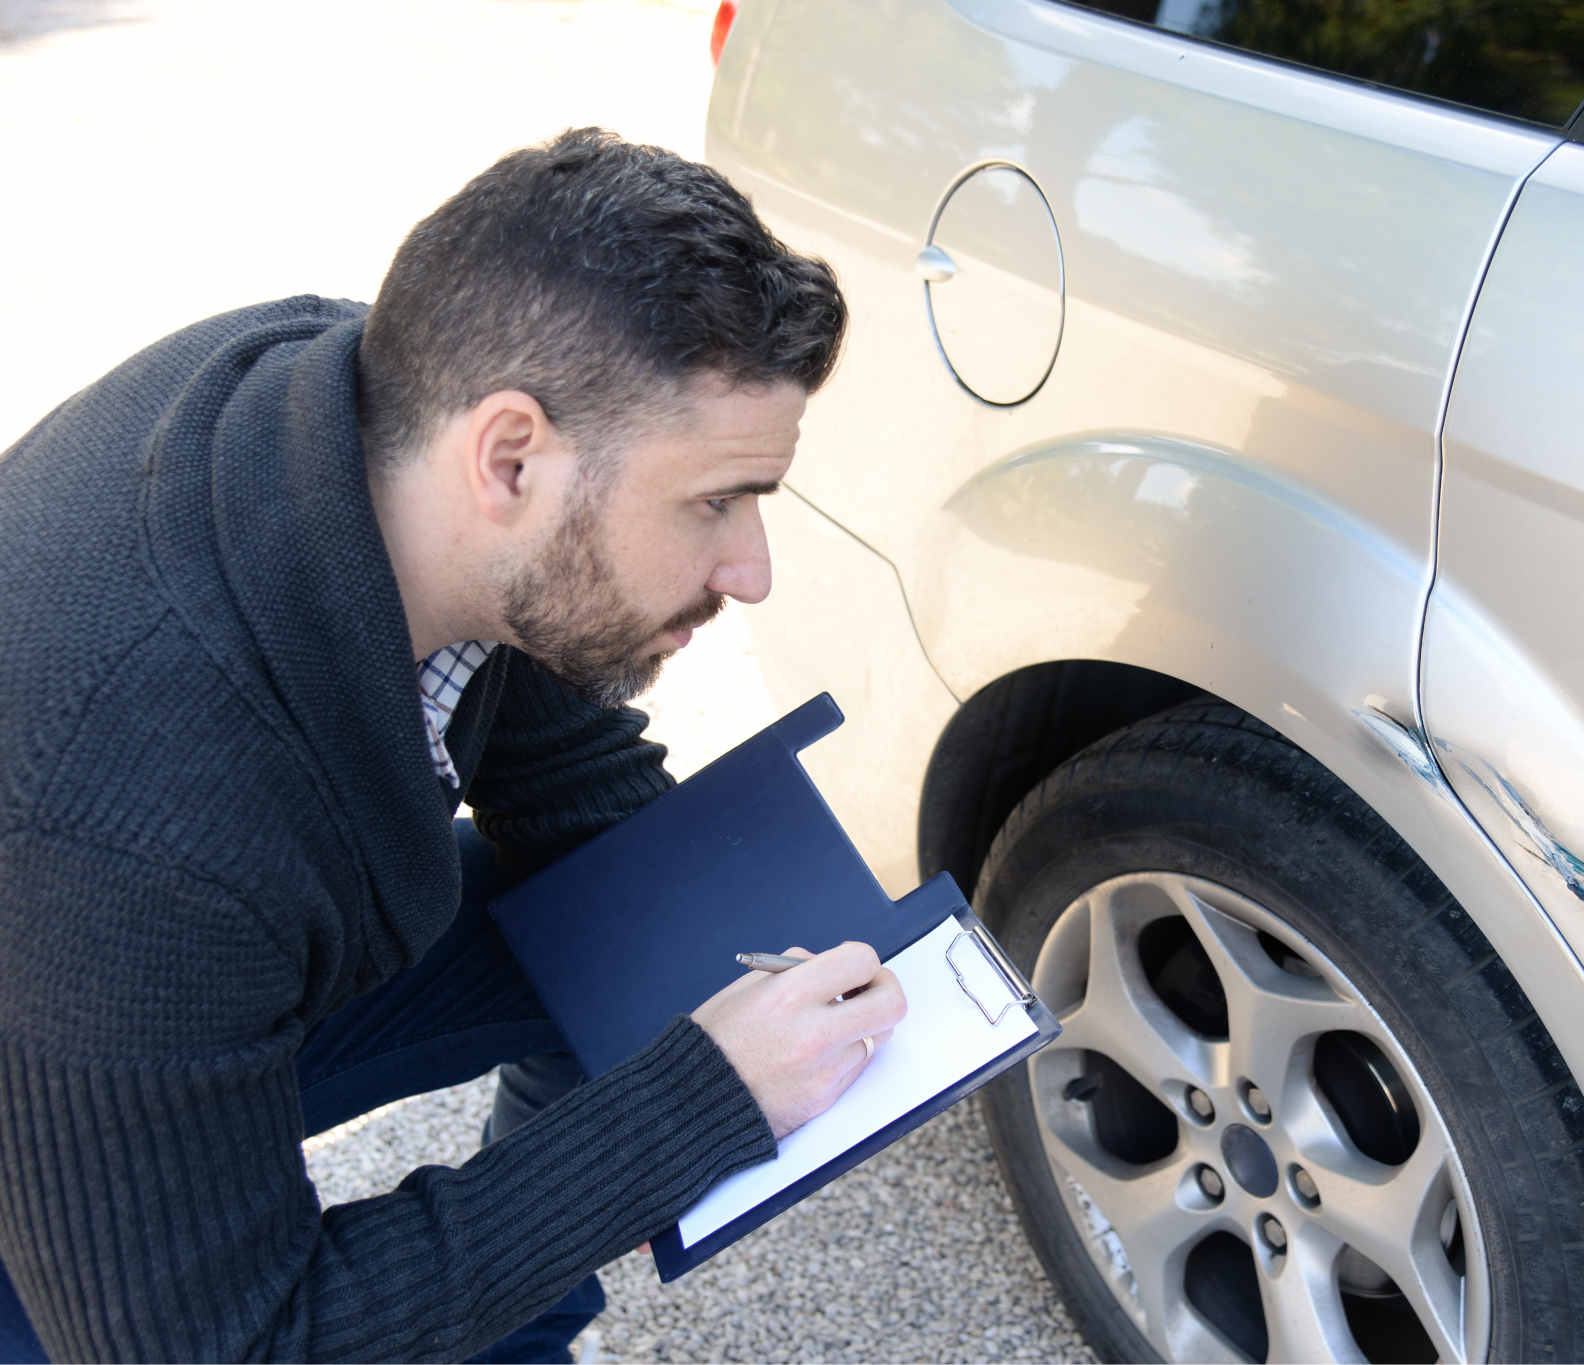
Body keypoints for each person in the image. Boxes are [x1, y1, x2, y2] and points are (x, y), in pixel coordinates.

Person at [0, 127, 905, 1364]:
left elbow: (582, 803)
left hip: (146, 974)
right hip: (47, 1107)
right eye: (710, 502)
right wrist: (695, 1106)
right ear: (511, 457)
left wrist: (726, 964)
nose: (749, 573)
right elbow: (224, 1344)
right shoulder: (139, 833)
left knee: (620, 927)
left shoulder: (394, 430)